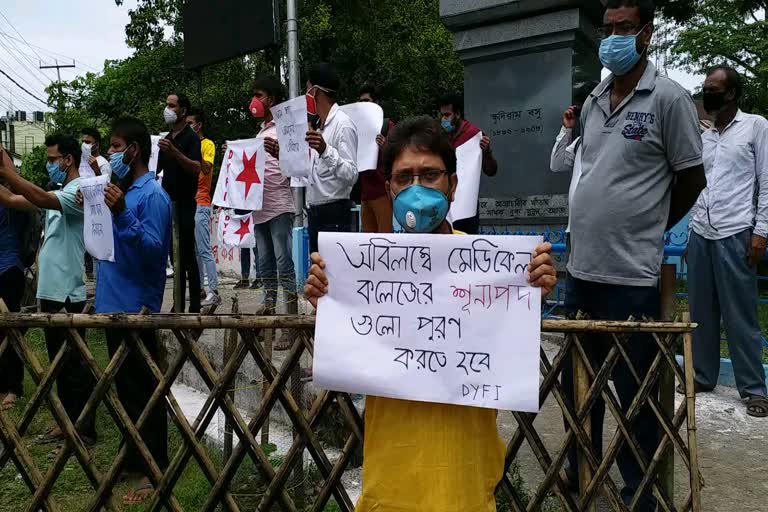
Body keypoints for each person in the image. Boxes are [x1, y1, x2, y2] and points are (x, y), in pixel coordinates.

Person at [304, 116, 556, 511]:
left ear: (453, 186)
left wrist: (533, 291)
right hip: (390, 485)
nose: (415, 188)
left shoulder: (491, 267)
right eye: (403, 178)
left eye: (430, 175)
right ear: (388, 187)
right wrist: (328, 303)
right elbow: (349, 357)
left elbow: (507, 345)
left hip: (465, 483)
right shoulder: (362, 270)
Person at [564, 0, 706, 509]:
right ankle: (581, 470)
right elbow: (590, 171)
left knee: (635, 391)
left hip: (631, 274)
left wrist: (651, 225)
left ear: (646, 33)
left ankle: (638, 490)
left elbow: (692, 177)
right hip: (581, 269)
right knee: (581, 385)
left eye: (624, 27)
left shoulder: (669, 99)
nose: (614, 36)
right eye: (609, 27)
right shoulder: (595, 98)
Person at [85, 117, 171, 505]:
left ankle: (155, 469)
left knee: (145, 392)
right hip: (111, 304)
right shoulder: (117, 191)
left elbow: (156, 252)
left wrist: (122, 214)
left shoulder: (152, 195)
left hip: (137, 306)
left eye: (116, 147)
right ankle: (133, 458)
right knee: (124, 391)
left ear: (133, 150)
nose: (111, 154)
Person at [0, 134, 96, 449]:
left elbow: (38, 198)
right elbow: (15, 200)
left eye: (53, 159)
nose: (50, 165)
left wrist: (10, 174)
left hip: (68, 290)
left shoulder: (79, 190)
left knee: (72, 365)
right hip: (52, 290)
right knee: (59, 363)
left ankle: (82, 430)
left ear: (68, 159)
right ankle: (65, 423)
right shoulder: (60, 191)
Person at [688, 65, 768, 418]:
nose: (708, 93)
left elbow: (766, 181)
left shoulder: (755, 127)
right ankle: (703, 377)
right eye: (705, 88)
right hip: (701, 231)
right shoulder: (703, 137)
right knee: (700, 311)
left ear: (732, 93)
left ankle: (753, 389)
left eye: (713, 88)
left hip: (736, 231)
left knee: (741, 314)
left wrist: (761, 231)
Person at [266, 62, 358, 253]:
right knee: (318, 276)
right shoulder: (318, 126)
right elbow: (309, 173)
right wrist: (282, 155)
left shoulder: (343, 125)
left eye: (307, 88)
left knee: (333, 276)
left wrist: (326, 150)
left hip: (335, 213)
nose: (305, 94)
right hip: (316, 212)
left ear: (315, 91)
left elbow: (351, 174)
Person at [249, 76, 297, 350]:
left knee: (284, 263)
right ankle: (268, 317)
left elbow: (297, 166)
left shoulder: (286, 130)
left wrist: (280, 153)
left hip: (279, 205)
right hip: (260, 208)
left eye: (260, 95)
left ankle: (290, 326)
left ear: (272, 100)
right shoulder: (259, 133)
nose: (255, 100)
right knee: (265, 264)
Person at [157, 92, 202, 312]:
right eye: (167, 105)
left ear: (183, 111)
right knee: (174, 257)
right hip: (168, 202)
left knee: (187, 255)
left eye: (172, 106)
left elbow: (196, 167)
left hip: (185, 202)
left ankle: (194, 305)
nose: (168, 109)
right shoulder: (165, 139)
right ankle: (178, 301)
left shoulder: (190, 137)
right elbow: (154, 170)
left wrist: (175, 153)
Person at [438, 93, 497, 235]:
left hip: (466, 206)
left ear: (457, 114)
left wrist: (487, 152)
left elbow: (491, 171)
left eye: (447, 115)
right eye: (442, 115)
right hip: (443, 204)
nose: (443, 119)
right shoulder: (440, 136)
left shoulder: (474, 135)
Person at [0, 146, 30, 412]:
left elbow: (14, 185)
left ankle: (13, 387)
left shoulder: (13, 196)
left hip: (8, 268)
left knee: (10, 327)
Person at [550, 82, 600, 236]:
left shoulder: (613, 140)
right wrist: (566, 129)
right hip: (574, 230)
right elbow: (556, 165)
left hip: (599, 231)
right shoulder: (579, 142)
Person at [186, 108, 221, 307]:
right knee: (195, 251)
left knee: (204, 249)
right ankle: (199, 289)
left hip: (202, 202)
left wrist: (192, 151)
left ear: (198, 125)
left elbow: (206, 168)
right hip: (189, 202)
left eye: (191, 123)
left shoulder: (207, 145)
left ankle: (214, 290)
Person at [358, 84, 394, 233]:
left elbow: (397, 155)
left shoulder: (387, 126)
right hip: (365, 194)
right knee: (367, 241)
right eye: (361, 101)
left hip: (382, 193)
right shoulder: (357, 127)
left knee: (384, 239)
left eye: (366, 100)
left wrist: (385, 146)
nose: (363, 104)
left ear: (376, 103)